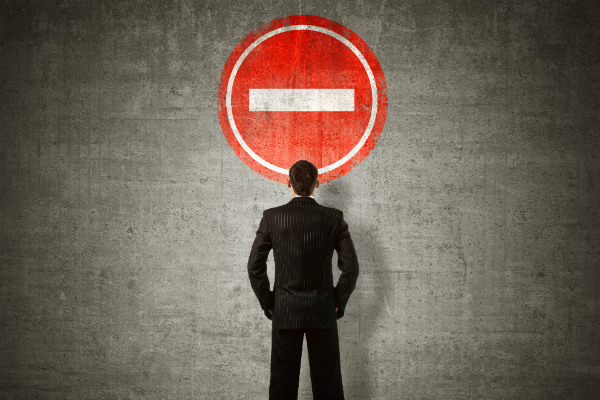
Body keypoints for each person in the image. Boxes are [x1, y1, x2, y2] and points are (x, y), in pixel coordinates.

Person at [247, 159, 360, 400]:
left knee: (281, 389)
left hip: (285, 311)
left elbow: (254, 266)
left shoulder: (272, 217)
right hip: (322, 311)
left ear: (288, 182)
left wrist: (268, 300)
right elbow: (350, 268)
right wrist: (336, 301)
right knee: (328, 389)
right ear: (317, 184)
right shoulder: (333, 218)